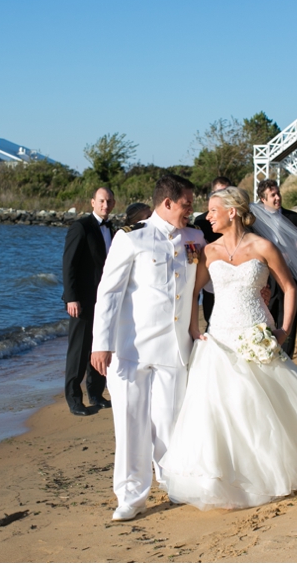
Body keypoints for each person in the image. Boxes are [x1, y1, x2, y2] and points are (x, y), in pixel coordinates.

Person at [159, 187, 297, 511]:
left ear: (232, 211)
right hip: (218, 338)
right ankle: (232, 477)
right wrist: (194, 328)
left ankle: (287, 465)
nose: (208, 216)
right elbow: (193, 293)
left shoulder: (263, 246)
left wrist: (284, 329)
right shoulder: (209, 251)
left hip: (255, 333)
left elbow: (290, 287)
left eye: (213, 210)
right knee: (223, 409)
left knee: (263, 405)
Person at [90, 174, 206, 522]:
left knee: (169, 423)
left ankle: (173, 482)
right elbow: (109, 293)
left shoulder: (195, 238)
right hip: (131, 351)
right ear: (166, 203)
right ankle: (130, 496)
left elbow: (205, 284)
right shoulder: (132, 238)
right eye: (186, 204)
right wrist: (101, 343)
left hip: (174, 350)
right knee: (130, 426)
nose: (191, 210)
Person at [61, 187, 115, 416]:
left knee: (99, 344)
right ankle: (74, 399)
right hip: (82, 300)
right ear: (93, 202)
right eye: (102, 201)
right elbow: (69, 264)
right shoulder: (80, 227)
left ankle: (95, 393)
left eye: (109, 201)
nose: (106, 205)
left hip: (104, 299)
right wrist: (71, 297)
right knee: (79, 350)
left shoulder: (112, 229)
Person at [256, 179, 297, 357]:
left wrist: (293, 254)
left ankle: (287, 358)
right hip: (266, 279)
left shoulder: (294, 218)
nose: (277, 198)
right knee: (267, 319)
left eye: (278, 193)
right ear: (262, 199)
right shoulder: (255, 221)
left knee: (288, 320)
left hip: (289, 276)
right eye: (272, 195)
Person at [193, 176, 233, 326]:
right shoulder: (202, 221)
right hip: (212, 278)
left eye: (227, 192)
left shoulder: (239, 219)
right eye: (220, 192)